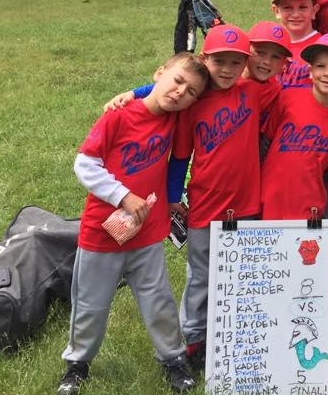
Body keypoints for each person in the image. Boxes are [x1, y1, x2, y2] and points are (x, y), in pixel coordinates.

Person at [57, 52, 209, 395]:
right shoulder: (118, 116)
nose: (181, 93)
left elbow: (174, 96)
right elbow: (85, 164)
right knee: (90, 303)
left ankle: (173, 359)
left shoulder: (175, 119)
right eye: (177, 82)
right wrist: (122, 195)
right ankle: (77, 363)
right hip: (102, 232)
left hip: (148, 233)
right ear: (159, 73)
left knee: (158, 301)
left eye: (191, 92)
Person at [167, 24, 277, 370]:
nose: (228, 70)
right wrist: (172, 196)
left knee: (244, 274)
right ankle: (195, 339)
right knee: (201, 274)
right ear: (205, 59)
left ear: (245, 62)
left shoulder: (254, 91)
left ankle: (238, 336)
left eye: (235, 62)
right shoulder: (192, 102)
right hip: (205, 205)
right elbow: (181, 156)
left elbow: (300, 91)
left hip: (247, 204)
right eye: (219, 62)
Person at [260, 33, 328, 257]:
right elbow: (265, 144)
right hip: (267, 201)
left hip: (310, 209)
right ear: (310, 71)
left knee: (301, 268)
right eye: (320, 66)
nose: (326, 73)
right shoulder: (288, 98)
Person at [272, 0, 323, 89]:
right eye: (287, 7)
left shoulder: (323, 46)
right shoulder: (270, 46)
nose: (295, 15)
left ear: (314, 10)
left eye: (303, 7)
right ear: (276, 11)